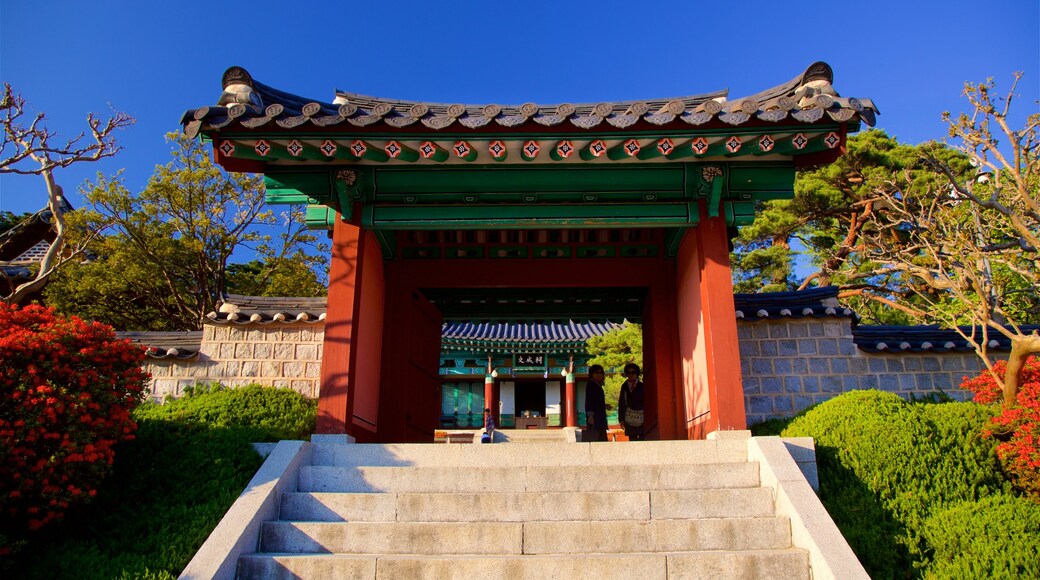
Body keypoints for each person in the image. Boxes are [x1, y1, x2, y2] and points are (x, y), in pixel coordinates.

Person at [617, 362, 645, 441]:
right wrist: (621, 419)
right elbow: (621, 402)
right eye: (629, 372)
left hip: (641, 416)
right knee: (632, 439)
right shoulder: (624, 386)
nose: (631, 374)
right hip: (628, 415)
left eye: (633, 372)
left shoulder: (642, 386)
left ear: (637, 374)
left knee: (642, 438)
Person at [583, 364, 608, 442]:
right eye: (596, 372)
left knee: (601, 436)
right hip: (595, 417)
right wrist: (591, 415)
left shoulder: (598, 385)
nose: (599, 374)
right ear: (592, 374)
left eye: (601, 373)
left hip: (599, 416)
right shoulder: (591, 384)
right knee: (597, 437)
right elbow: (589, 400)